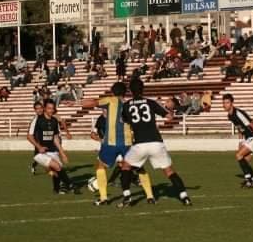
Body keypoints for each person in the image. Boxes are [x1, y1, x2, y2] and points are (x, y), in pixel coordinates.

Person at [118, 79, 192, 207]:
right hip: (156, 142)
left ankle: (127, 196)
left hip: (140, 143)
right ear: (143, 89)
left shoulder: (126, 105)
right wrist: (171, 110)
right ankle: (184, 197)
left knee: (125, 166)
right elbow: (169, 117)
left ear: (130, 90)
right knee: (169, 171)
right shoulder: (150, 103)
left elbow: (123, 120)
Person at [82, 82, 155, 206]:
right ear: (125, 92)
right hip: (127, 142)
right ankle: (150, 196)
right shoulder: (129, 104)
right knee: (139, 168)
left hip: (110, 142)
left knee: (101, 167)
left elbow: (92, 103)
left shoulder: (110, 100)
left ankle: (104, 198)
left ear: (112, 92)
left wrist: (77, 102)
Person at [27, 99, 79, 194]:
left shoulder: (54, 120)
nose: (51, 110)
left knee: (57, 171)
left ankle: (56, 189)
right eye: (49, 108)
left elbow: (55, 137)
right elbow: (29, 136)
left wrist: (62, 153)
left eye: (52, 108)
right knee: (57, 166)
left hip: (52, 151)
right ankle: (70, 185)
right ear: (45, 109)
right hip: (40, 153)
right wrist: (39, 147)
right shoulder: (37, 120)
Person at [222, 94, 253, 188]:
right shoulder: (230, 116)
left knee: (239, 155)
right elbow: (239, 128)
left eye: (227, 102)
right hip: (248, 138)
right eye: (223, 103)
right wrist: (240, 141)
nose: (225, 105)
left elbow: (252, 124)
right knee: (244, 160)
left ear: (232, 103)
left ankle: (248, 180)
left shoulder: (238, 113)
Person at [29, 102, 44, 176]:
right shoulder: (35, 120)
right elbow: (30, 135)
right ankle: (33, 165)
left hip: (48, 140)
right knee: (38, 157)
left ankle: (53, 170)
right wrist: (37, 144)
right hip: (38, 141)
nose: (39, 110)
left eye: (40, 108)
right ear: (35, 110)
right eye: (37, 109)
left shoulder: (47, 116)